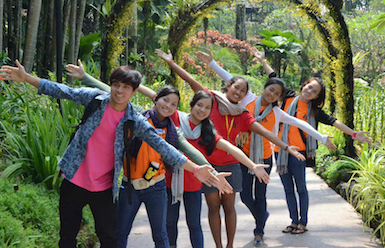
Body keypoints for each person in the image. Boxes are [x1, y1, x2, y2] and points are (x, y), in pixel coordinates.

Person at [0, 61, 221, 248]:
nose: (119, 90)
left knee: (110, 238)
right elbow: (63, 91)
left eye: (126, 87)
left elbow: (164, 147)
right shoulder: (96, 100)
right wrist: (26, 78)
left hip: (104, 187)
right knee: (67, 236)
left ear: (134, 92)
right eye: (116, 84)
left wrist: (196, 168)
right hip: (74, 179)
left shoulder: (136, 120)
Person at [65, 61, 232, 248]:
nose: (168, 106)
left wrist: (214, 174)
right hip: (130, 187)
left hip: (156, 188)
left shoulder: (173, 131)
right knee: (119, 233)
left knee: (160, 236)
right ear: (156, 99)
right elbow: (113, 93)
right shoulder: (138, 116)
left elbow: (191, 152)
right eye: (165, 100)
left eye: (174, 104)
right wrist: (85, 77)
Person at [155, 49, 306, 248]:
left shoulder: (243, 115)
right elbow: (191, 81)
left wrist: (286, 147)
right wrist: (172, 63)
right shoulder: (212, 101)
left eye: (243, 91)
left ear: (244, 95)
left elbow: (264, 132)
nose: (238, 92)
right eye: (236, 88)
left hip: (232, 165)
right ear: (229, 86)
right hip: (208, 164)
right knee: (213, 207)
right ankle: (218, 245)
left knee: (229, 207)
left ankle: (229, 246)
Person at [195, 49, 337, 246]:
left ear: (279, 97)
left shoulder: (277, 112)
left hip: (265, 158)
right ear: (265, 88)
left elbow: (301, 123)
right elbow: (231, 80)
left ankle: (259, 231)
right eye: (271, 90)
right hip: (243, 156)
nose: (272, 94)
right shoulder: (248, 99)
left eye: (277, 94)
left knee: (260, 196)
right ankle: (262, 216)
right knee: (244, 195)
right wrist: (211, 63)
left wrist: (320, 137)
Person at [255, 49, 372, 235]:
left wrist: (354, 134)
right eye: (309, 87)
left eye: (314, 91)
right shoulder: (288, 97)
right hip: (281, 150)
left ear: (317, 96)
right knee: (288, 189)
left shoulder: (314, 111)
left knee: (300, 188)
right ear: (304, 85)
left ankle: (303, 222)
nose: (309, 91)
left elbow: (335, 122)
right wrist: (263, 61)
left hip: (299, 154)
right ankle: (293, 221)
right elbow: (274, 77)